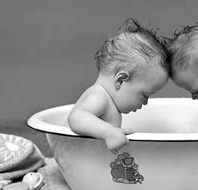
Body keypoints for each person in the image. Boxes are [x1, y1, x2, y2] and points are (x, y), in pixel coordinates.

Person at [68, 18, 170, 154]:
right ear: (121, 80)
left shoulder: (108, 100)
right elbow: (76, 118)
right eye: (145, 95)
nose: (145, 102)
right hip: (78, 156)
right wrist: (109, 132)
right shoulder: (99, 97)